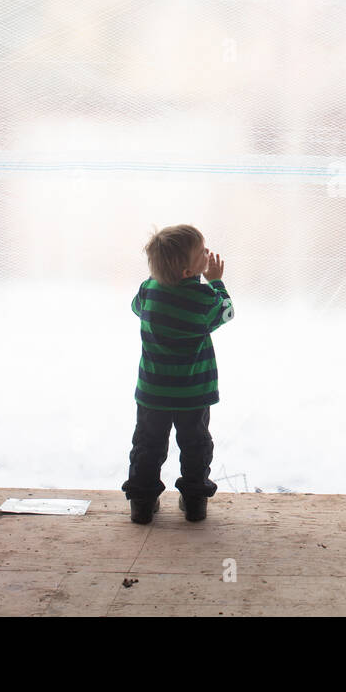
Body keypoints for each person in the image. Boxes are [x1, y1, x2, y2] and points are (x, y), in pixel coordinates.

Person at [120, 224, 233, 523]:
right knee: (195, 444)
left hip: (152, 392)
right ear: (186, 272)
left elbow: (136, 307)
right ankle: (195, 501)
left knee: (147, 444)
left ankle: (142, 503)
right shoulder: (203, 299)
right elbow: (226, 312)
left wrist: (158, 277)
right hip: (193, 393)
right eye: (201, 252)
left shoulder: (148, 291)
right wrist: (216, 282)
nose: (207, 254)